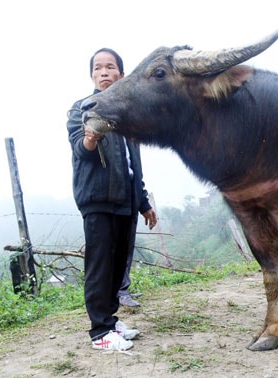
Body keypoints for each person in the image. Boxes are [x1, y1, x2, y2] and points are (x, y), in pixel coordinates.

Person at [67, 48, 158, 351]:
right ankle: (99, 333)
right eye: (98, 68)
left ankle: (110, 320)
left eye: (110, 67)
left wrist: (143, 202)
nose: (104, 73)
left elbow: (135, 166)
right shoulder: (82, 109)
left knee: (119, 267)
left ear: (121, 73)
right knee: (101, 267)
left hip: (125, 202)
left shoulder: (127, 115)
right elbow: (80, 151)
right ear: (92, 75)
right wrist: (90, 139)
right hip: (98, 200)